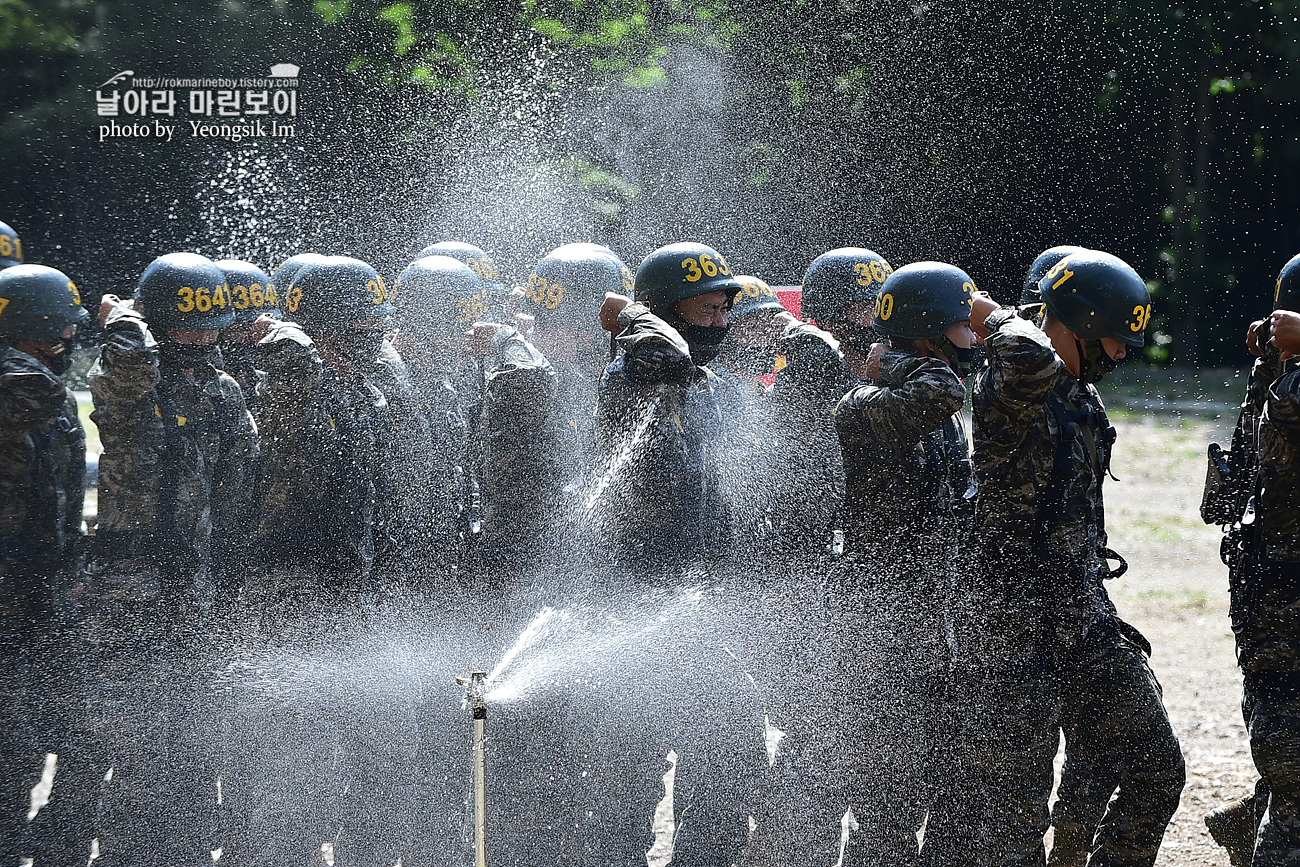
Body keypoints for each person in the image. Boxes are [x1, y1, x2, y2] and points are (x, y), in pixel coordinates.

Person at [951, 248, 1184, 867]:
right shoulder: (1014, 383)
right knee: (1012, 824)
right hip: (1011, 628)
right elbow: (1027, 353)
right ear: (1071, 322)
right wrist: (996, 315)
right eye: (1108, 340)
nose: (1119, 356)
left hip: (1081, 614)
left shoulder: (1080, 393)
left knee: (1156, 767)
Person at [820, 261, 976, 867]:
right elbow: (942, 388)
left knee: (939, 775)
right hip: (886, 614)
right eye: (961, 328)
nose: (974, 340)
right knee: (889, 792)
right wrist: (896, 359)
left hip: (933, 607)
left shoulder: (924, 398)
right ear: (927, 335)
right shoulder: (869, 403)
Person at [88, 252, 259, 611]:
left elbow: (238, 483)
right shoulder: (132, 386)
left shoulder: (224, 390)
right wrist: (126, 317)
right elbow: (130, 360)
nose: (205, 337)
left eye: (213, 325)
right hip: (135, 576)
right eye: (191, 326)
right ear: (159, 325)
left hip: (200, 576)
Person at [0, 263, 98, 867]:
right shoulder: (20, 383)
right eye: (57, 332)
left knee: (61, 738)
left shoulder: (38, 381)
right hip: (9, 593)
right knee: (8, 749)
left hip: (40, 584)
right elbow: (33, 393)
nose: (66, 343)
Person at [1204, 253, 1300, 867]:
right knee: (1285, 731)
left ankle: (1257, 819)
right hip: (1276, 580)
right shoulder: (1274, 376)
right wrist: (1270, 364)